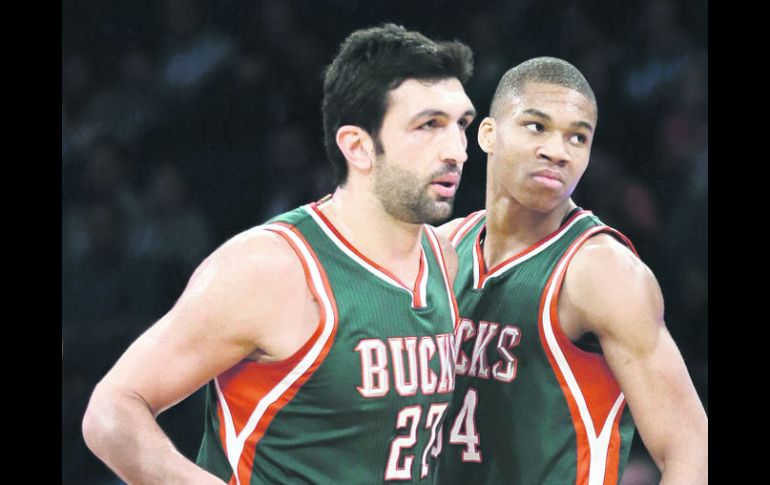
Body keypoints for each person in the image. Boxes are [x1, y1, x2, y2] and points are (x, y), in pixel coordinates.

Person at [82, 23, 477, 484]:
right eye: (429, 125)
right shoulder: (272, 268)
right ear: (358, 146)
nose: (457, 151)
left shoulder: (445, 262)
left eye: (461, 125)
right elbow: (111, 412)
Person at [435, 57, 707, 484]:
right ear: (487, 134)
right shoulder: (443, 250)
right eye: (536, 127)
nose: (557, 152)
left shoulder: (601, 271)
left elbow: (690, 448)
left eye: (577, 137)